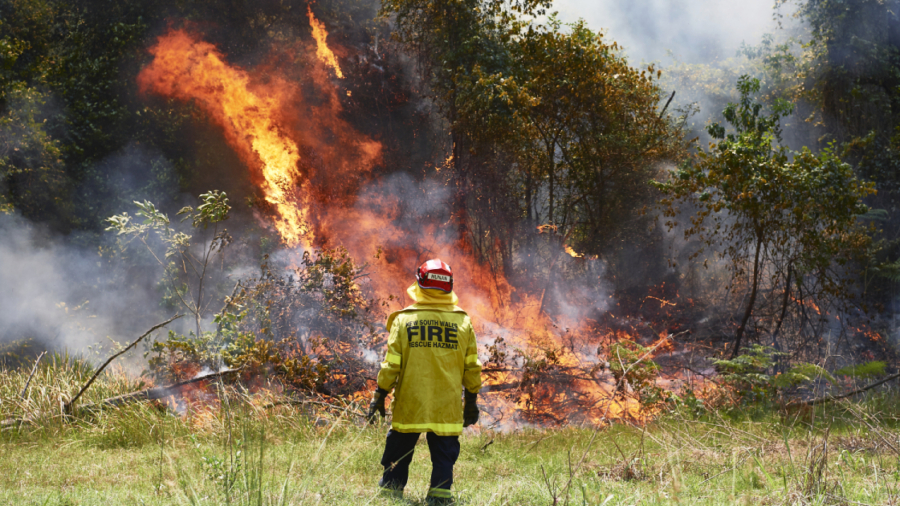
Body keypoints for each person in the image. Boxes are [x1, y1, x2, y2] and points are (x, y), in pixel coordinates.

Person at [367, 259, 483, 506]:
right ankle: (440, 497)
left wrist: (380, 394)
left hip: (411, 402)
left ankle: (390, 495)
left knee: (398, 451)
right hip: (446, 406)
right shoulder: (463, 322)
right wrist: (471, 400)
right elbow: (471, 367)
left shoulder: (403, 320)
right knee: (444, 456)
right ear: (449, 286)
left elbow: (391, 365)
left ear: (419, 283)